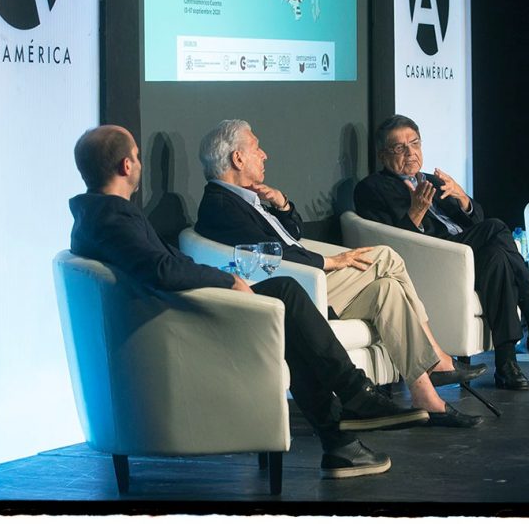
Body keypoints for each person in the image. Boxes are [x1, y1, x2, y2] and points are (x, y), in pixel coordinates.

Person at [69, 125, 431, 480]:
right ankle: (353, 400)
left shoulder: (102, 213)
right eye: (137, 156)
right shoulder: (111, 217)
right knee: (286, 294)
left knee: (285, 310)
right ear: (126, 166)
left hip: (176, 319)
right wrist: (227, 280)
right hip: (176, 330)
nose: (140, 164)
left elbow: (165, 266)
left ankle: (342, 442)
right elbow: (162, 270)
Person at [194, 119, 486, 429]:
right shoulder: (221, 204)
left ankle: (426, 396)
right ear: (237, 158)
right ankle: (437, 357)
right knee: (386, 256)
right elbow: (269, 254)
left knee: (386, 288)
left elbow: (291, 237)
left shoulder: (245, 196)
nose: (264, 155)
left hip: (310, 277)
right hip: (297, 287)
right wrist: (330, 262)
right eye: (256, 148)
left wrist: (281, 205)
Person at [354, 115, 529, 391]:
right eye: (400, 148)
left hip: (469, 256)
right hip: (437, 259)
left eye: (415, 144)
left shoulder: (433, 179)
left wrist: (463, 198)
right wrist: (417, 210)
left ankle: (506, 365)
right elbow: (392, 244)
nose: (410, 153)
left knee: (498, 258)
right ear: (384, 155)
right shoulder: (372, 188)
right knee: (496, 228)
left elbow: (476, 220)